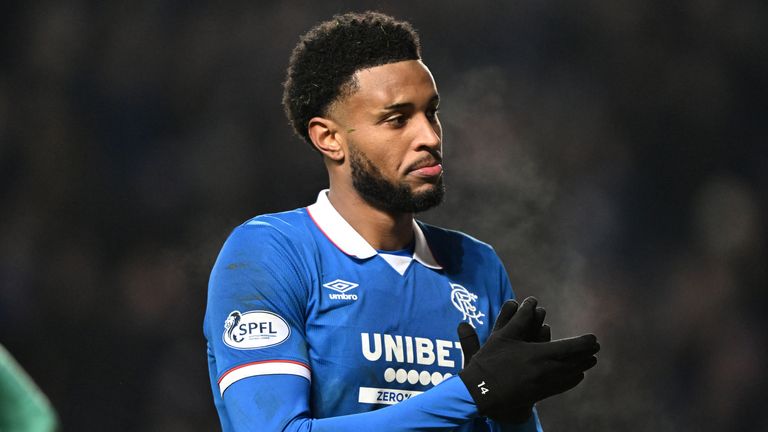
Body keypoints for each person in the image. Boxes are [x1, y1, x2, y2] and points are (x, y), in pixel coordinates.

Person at [203, 11, 599, 431]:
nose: (429, 136)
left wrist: (513, 413)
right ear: (329, 138)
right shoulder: (269, 254)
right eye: (397, 119)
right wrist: (475, 390)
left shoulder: (477, 264)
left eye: (432, 112)